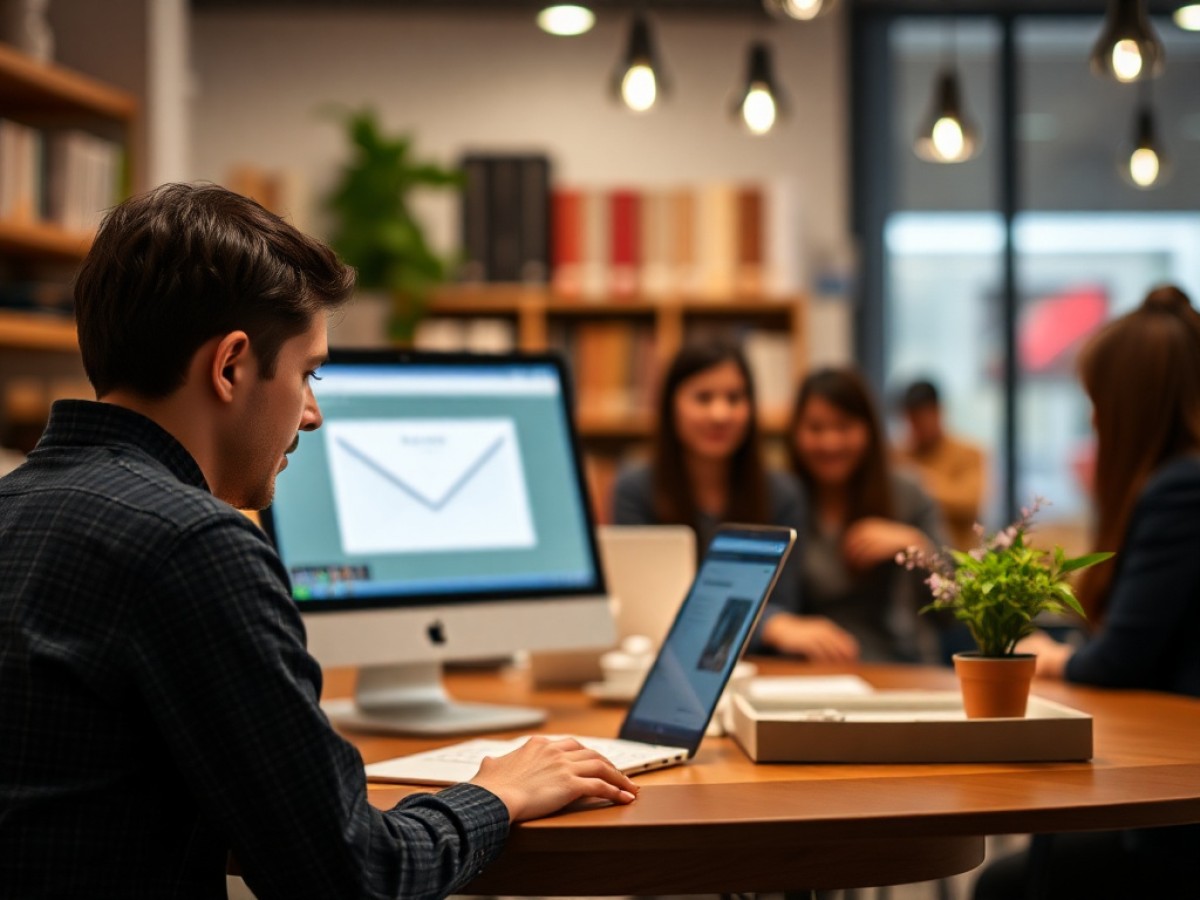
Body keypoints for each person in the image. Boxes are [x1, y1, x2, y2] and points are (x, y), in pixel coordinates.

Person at [0, 184, 636, 899]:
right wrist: (499, 794)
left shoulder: (13, 506)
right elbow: (351, 874)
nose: (313, 415)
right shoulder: (194, 545)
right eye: (309, 373)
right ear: (231, 366)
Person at [973, 286, 1200, 900]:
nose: (1094, 419)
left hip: (1180, 820)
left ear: (1131, 407)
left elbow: (1120, 660)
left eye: (1099, 402)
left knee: (1005, 884)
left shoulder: (1179, 491)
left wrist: (1051, 656)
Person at [611, 342, 857, 663]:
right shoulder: (635, 489)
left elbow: (784, 601)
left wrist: (774, 624)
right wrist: (768, 624)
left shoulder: (782, 493)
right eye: (703, 398)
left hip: (759, 667)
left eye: (734, 398)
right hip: (663, 663)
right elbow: (645, 611)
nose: (720, 413)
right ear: (671, 405)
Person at [785, 367, 948, 663]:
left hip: (900, 666)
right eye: (816, 428)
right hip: (810, 667)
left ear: (869, 429)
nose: (830, 442)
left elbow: (955, 606)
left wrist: (916, 545)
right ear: (795, 432)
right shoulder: (785, 497)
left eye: (844, 426)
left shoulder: (907, 492)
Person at [895, 378, 987, 551]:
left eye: (922, 418)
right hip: (912, 559)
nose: (917, 427)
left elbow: (968, 503)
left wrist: (915, 480)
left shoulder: (969, 453)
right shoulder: (898, 455)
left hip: (960, 558)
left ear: (938, 411)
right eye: (912, 420)